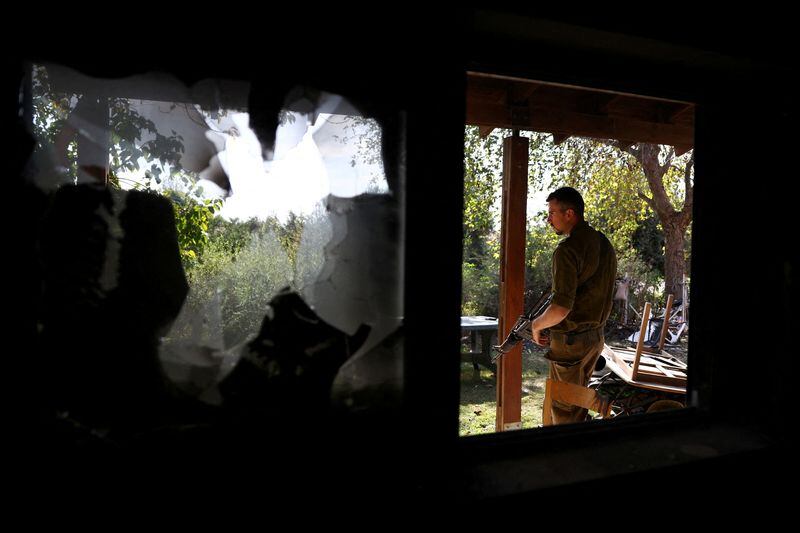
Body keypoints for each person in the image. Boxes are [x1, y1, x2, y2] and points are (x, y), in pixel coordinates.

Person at [531, 187, 617, 424]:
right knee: (576, 402)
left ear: (569, 214)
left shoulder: (567, 250)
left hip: (572, 344)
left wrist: (536, 326)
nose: (548, 219)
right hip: (595, 339)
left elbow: (560, 309)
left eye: (552, 213)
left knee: (565, 408)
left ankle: (567, 459)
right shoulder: (603, 242)